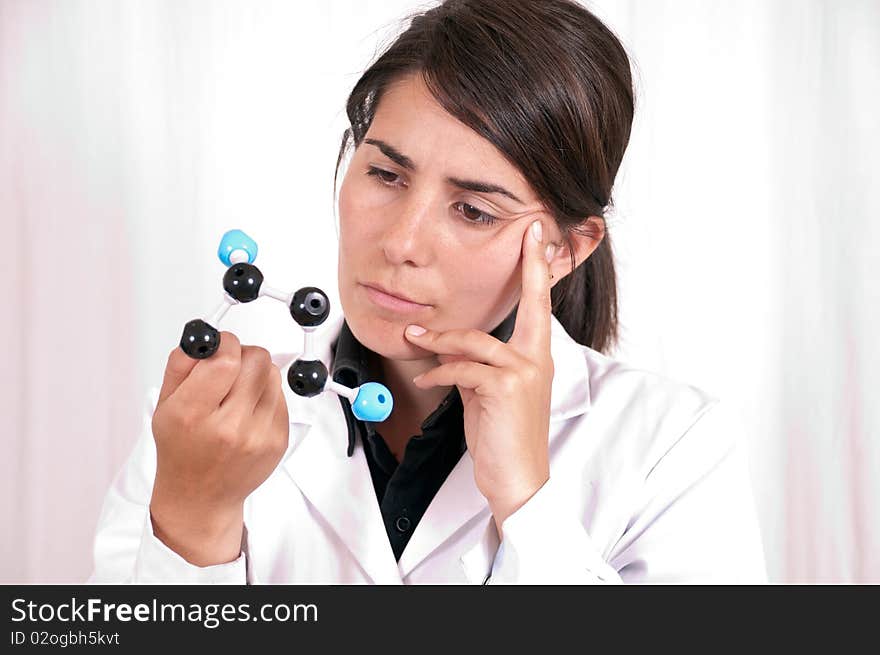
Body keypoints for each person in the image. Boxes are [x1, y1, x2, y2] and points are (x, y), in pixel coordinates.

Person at [88, 0, 767, 584]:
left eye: (473, 210)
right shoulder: (204, 420)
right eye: (385, 174)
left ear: (563, 248)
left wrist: (528, 503)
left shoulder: (673, 446)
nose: (402, 242)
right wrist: (191, 518)